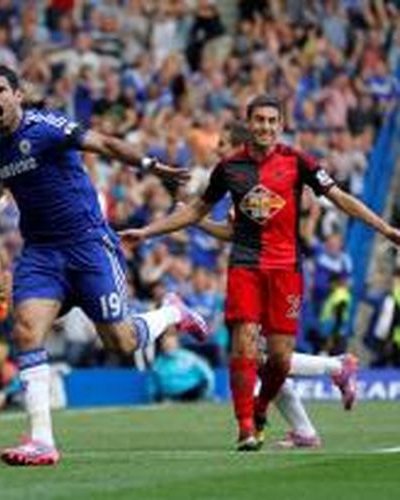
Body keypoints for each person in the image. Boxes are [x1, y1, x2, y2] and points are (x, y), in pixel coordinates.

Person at [0, 64, 210, 466]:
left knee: (121, 342)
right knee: (26, 330)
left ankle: (172, 312)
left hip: (88, 247)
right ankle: (42, 441)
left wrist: (150, 166)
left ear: (17, 94)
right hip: (42, 253)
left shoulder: (46, 127)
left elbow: (105, 144)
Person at [121, 94, 400, 451]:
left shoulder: (298, 162)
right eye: (259, 120)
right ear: (249, 123)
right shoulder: (229, 169)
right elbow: (196, 211)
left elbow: (341, 198)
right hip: (246, 266)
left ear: (280, 125)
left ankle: (263, 409)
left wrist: (385, 229)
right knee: (245, 344)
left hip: (286, 270)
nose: (265, 126)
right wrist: (147, 232)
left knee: (280, 358)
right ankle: (245, 428)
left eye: (272, 120)